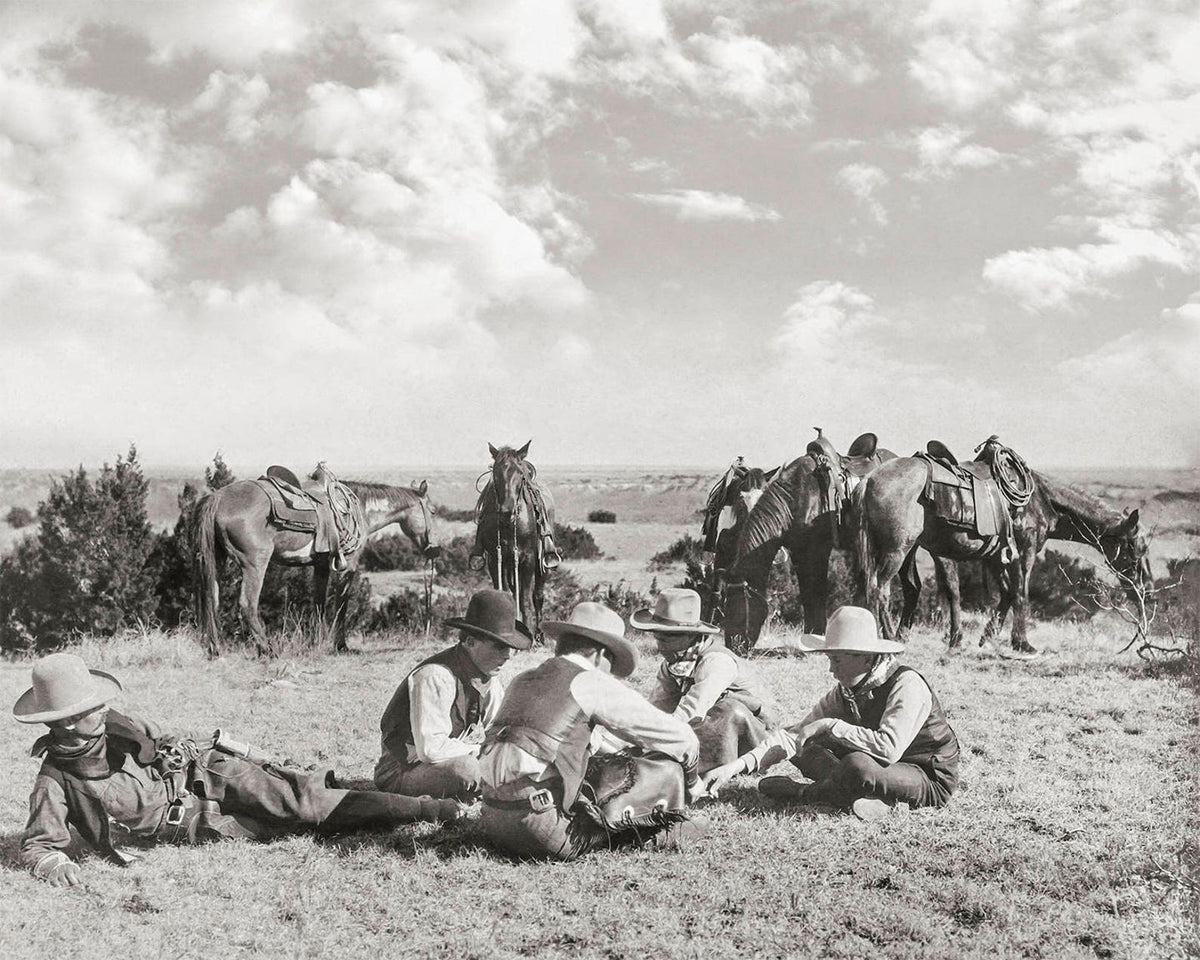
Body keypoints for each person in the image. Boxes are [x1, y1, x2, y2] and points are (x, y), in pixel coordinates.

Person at [15, 653, 461, 888]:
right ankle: (318, 786)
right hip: (198, 824)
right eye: (90, 707)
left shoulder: (117, 724)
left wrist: (173, 746)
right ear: (65, 721)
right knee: (295, 827)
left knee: (306, 807)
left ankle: (428, 808)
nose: (103, 708)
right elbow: (37, 845)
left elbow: (164, 739)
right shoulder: (56, 781)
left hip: (211, 772)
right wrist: (54, 864)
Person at [478, 602, 702, 860]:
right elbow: (682, 738)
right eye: (612, 663)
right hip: (544, 828)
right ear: (599, 655)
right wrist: (693, 783)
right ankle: (643, 836)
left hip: (493, 822)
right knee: (664, 773)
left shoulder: (522, 679)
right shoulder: (590, 681)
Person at [702, 605, 960, 821]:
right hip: (878, 769)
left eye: (836, 660)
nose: (831, 670)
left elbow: (889, 749)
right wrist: (733, 768)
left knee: (856, 765)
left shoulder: (907, 684)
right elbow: (793, 737)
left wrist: (832, 727)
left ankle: (806, 794)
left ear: (866, 659)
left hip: (925, 777)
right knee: (806, 746)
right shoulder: (846, 691)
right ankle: (870, 799)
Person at [375, 589, 532, 801]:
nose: (508, 656)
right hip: (401, 770)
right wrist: (485, 752)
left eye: (511, 648)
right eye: (500, 647)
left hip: (439, 764)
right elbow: (430, 749)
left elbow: (500, 727)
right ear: (470, 641)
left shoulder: (488, 679)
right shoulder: (435, 676)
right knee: (469, 770)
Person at [631, 588, 772, 773]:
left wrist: (656, 742)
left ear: (690, 636)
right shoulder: (674, 664)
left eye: (665, 641)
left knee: (729, 710)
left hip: (756, 739)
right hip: (713, 731)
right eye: (658, 640)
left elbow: (692, 710)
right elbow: (658, 709)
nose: (660, 648)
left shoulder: (716, 662)